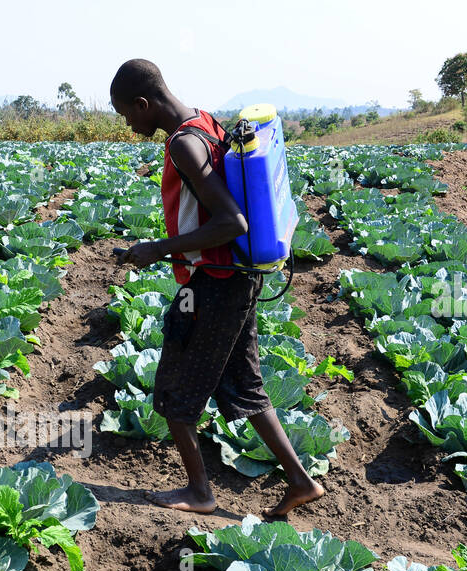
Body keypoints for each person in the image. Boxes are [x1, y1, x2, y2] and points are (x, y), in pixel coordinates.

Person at [109, 58, 324, 518]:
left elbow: (231, 222)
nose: (129, 124)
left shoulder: (184, 145)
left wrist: (159, 248)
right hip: (239, 277)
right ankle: (301, 481)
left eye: (127, 114)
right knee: (243, 386)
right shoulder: (205, 121)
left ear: (144, 103)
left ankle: (199, 491)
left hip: (215, 282)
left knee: (171, 389)